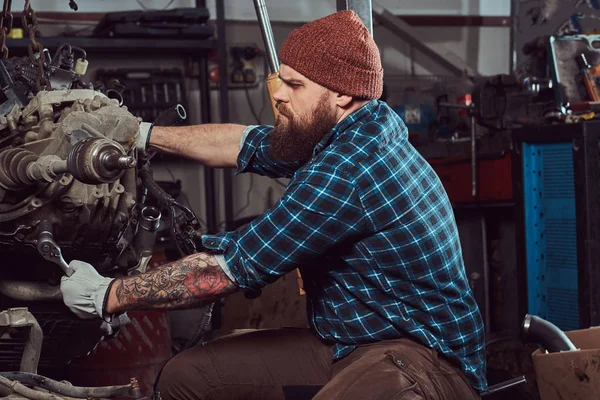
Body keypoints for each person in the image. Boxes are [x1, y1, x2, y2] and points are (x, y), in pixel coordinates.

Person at [60, 10, 486, 400]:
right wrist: (142, 134)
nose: (279, 94)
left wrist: (109, 294)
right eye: (282, 78)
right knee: (187, 378)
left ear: (342, 95)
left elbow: (228, 269)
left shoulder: (351, 169)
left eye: (295, 85)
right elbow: (244, 143)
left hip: (426, 363)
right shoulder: (344, 128)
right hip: (349, 342)